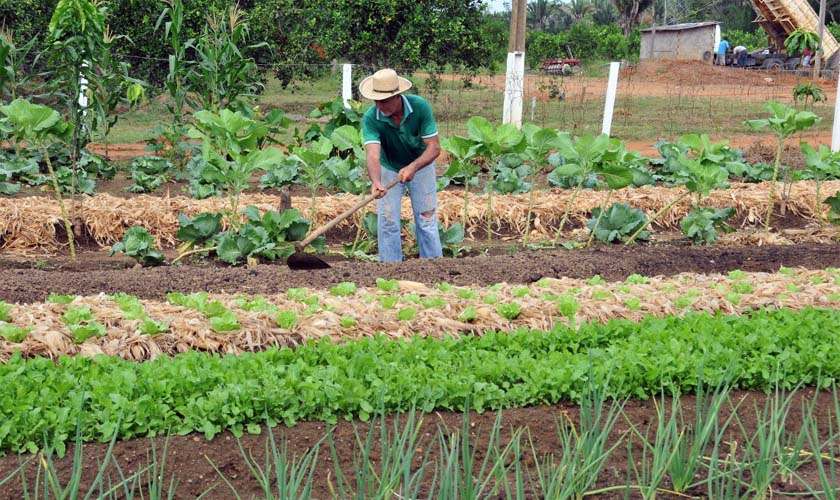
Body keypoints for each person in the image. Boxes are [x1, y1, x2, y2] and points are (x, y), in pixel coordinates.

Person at [359, 68, 443, 262]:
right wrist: (376, 181)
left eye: (384, 101)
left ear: (398, 96)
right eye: (376, 101)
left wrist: (413, 167)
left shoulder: (420, 107)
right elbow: (372, 154)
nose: (379, 105)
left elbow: (435, 148)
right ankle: (390, 269)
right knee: (387, 221)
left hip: (421, 165)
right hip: (389, 167)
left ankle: (434, 266)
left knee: (426, 218)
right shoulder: (371, 118)